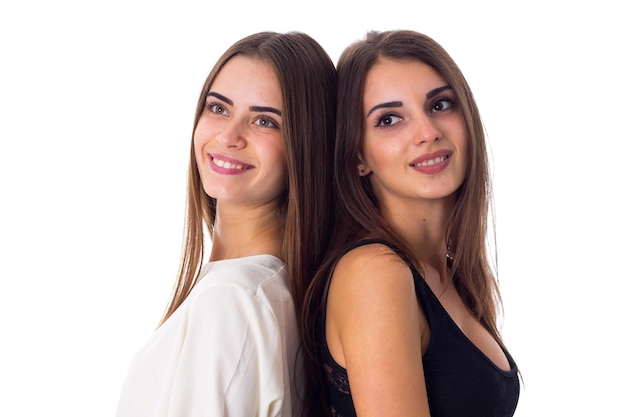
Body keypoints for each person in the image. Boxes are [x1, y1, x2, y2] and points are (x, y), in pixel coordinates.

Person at [116, 31, 337, 417]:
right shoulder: (270, 291)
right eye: (218, 109)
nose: (228, 136)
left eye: (265, 121)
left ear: (307, 144)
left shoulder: (232, 298)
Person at [300, 30, 520, 417]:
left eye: (440, 105)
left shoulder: (447, 271)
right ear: (357, 157)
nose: (427, 132)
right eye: (389, 119)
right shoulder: (376, 273)